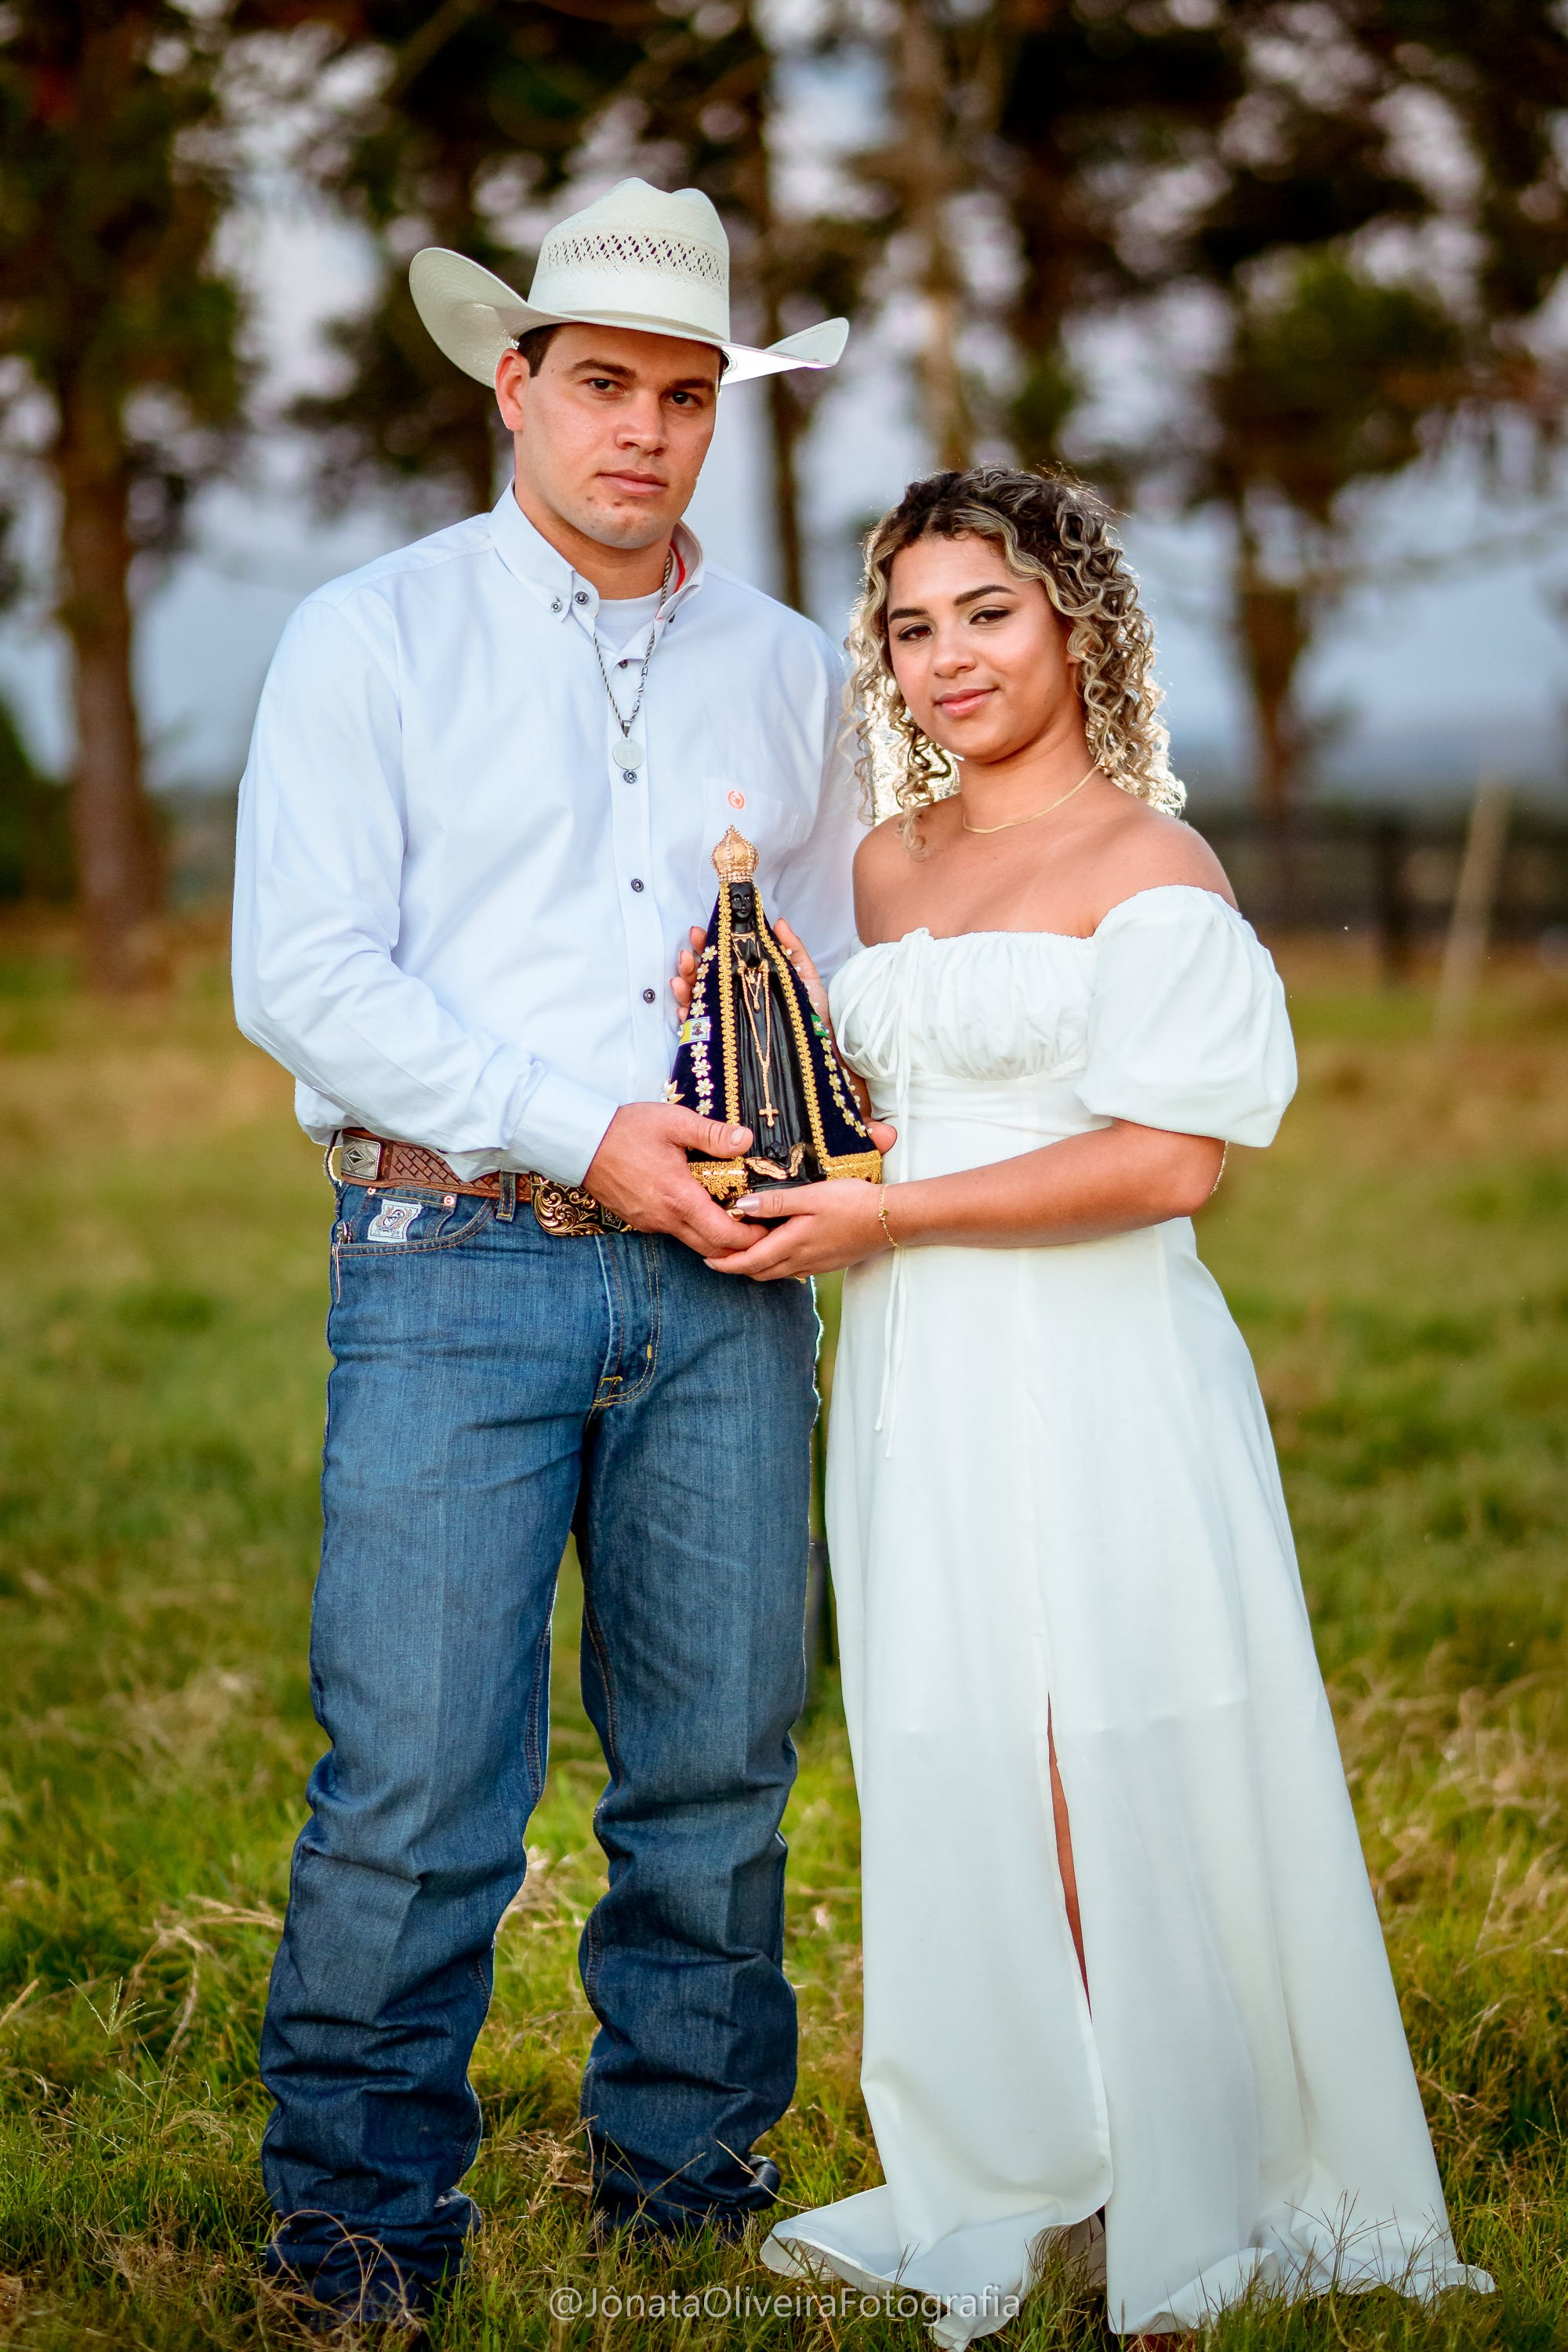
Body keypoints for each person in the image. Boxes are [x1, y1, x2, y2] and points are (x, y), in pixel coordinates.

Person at [702, 467, 1494, 2341]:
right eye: (911, 626)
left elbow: (1166, 1164)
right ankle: (1026, 2159)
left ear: (1075, 626)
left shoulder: (1153, 868)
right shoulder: (883, 867)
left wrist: (891, 1217)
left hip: (1095, 1366)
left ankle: (1185, 2183)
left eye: (987, 613)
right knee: (959, 1743)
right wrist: (759, 1030)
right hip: (914, 1376)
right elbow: (872, 1109)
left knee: (1103, 1752)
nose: (948, 658)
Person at [230, 176, 873, 2328]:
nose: (645, 432)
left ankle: (687, 2205)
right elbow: (304, 974)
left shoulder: (789, 671)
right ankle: (356, 2240)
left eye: (686, 398)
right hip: (451, 1250)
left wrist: (819, 1125)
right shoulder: (372, 635)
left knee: (716, 1772)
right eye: (604, 384)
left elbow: (824, 970)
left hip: (727, 1277)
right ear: (512, 385)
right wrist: (580, 1127)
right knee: (419, 1779)